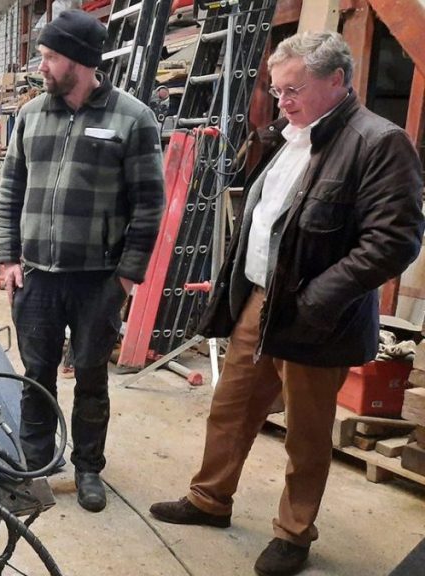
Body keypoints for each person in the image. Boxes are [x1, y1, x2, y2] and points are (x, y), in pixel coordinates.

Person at [149, 31, 423, 576]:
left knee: (306, 432)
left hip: (319, 315)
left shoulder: (378, 142)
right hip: (259, 299)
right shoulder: (288, 135)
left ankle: (294, 534)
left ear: (337, 81)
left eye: (292, 89)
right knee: (231, 409)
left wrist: (319, 298)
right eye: (276, 91)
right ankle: (210, 499)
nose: (282, 101)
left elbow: (393, 241)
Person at [0, 9, 165, 513]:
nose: (41, 66)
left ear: (80, 62)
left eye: (50, 57)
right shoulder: (29, 115)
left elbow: (149, 205)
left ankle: (89, 468)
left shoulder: (132, 119)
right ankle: (36, 463)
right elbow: (10, 192)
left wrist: (128, 275)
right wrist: (7, 258)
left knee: (91, 376)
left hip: (98, 280)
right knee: (35, 375)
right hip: (37, 277)